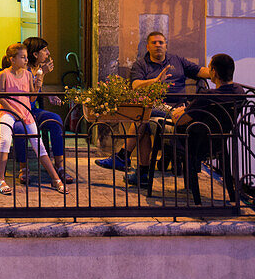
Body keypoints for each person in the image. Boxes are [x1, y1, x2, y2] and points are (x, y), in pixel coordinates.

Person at [95, 31, 213, 183]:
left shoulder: (177, 61)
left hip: (177, 111)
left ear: (166, 46)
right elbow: (135, 85)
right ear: (147, 46)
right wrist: (155, 80)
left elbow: (200, 71)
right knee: (143, 120)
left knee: (142, 115)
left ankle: (123, 158)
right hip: (153, 110)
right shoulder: (141, 65)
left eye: (161, 42)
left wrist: (218, 73)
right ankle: (142, 174)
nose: (158, 45)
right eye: (154, 43)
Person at [149, 53, 245, 188]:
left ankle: (143, 172)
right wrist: (187, 110)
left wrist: (179, 112)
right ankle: (165, 161)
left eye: (209, 67)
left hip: (190, 140)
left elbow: (179, 121)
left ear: (213, 72)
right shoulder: (239, 91)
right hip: (217, 140)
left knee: (151, 121)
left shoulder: (207, 97)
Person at [0, 43, 67, 196]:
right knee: (5, 140)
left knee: (37, 143)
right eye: (22, 57)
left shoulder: (27, 75)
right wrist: (13, 111)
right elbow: (0, 96)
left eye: (26, 57)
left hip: (25, 112)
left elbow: (32, 97)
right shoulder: (4, 74)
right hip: (8, 112)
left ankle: (55, 177)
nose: (26, 60)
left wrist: (39, 80)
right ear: (12, 59)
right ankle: (1, 179)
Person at [11, 37, 75, 185]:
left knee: (55, 120)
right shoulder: (23, 70)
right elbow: (30, 97)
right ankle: (23, 168)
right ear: (35, 54)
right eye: (44, 50)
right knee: (20, 129)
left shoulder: (37, 69)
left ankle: (59, 167)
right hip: (20, 112)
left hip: (33, 111)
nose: (48, 53)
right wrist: (42, 74)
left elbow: (36, 90)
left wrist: (47, 93)